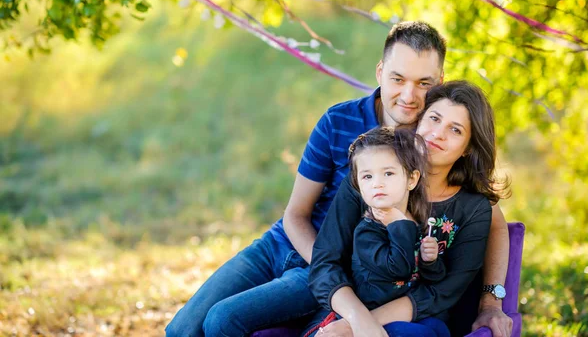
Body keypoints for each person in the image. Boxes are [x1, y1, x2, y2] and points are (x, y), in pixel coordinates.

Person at [165, 21, 511, 337]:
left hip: (339, 268)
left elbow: (484, 215)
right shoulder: (339, 122)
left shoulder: (430, 146)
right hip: (291, 246)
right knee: (183, 330)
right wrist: (332, 272)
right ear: (380, 72)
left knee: (223, 320)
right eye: (397, 79)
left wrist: (491, 302)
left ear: (439, 83)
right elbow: (295, 215)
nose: (408, 96)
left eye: (424, 83)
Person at [308, 81, 509, 337]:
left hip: (418, 324)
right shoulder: (374, 179)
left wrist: (359, 326)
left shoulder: (473, 208)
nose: (437, 133)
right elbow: (326, 261)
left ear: (468, 148)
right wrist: (355, 320)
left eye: (455, 130)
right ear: (419, 120)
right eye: (433, 118)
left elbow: (441, 293)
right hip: (348, 309)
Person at [347, 127, 444, 310]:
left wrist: (430, 261)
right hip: (375, 312)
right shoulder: (366, 232)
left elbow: (435, 280)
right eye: (367, 176)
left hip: (409, 309)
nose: (377, 183)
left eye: (388, 173)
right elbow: (399, 270)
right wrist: (399, 224)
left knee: (439, 328)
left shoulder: (418, 221)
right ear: (358, 185)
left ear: (411, 179)